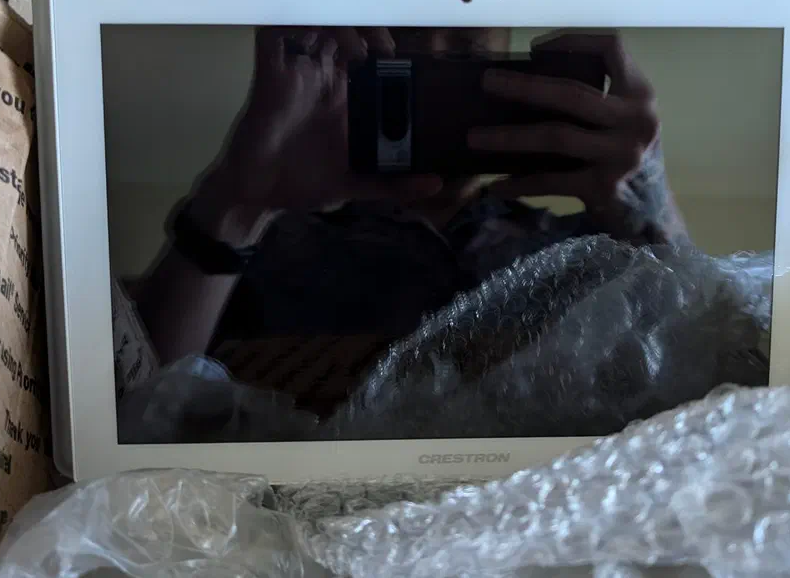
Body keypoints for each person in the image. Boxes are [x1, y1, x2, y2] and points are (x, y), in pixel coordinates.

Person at [122, 26, 688, 416]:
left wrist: (646, 206)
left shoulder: (592, 250)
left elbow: (702, 388)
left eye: (465, 58)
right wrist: (238, 202)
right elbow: (136, 410)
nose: (432, 77)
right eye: (407, 56)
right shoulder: (267, 240)